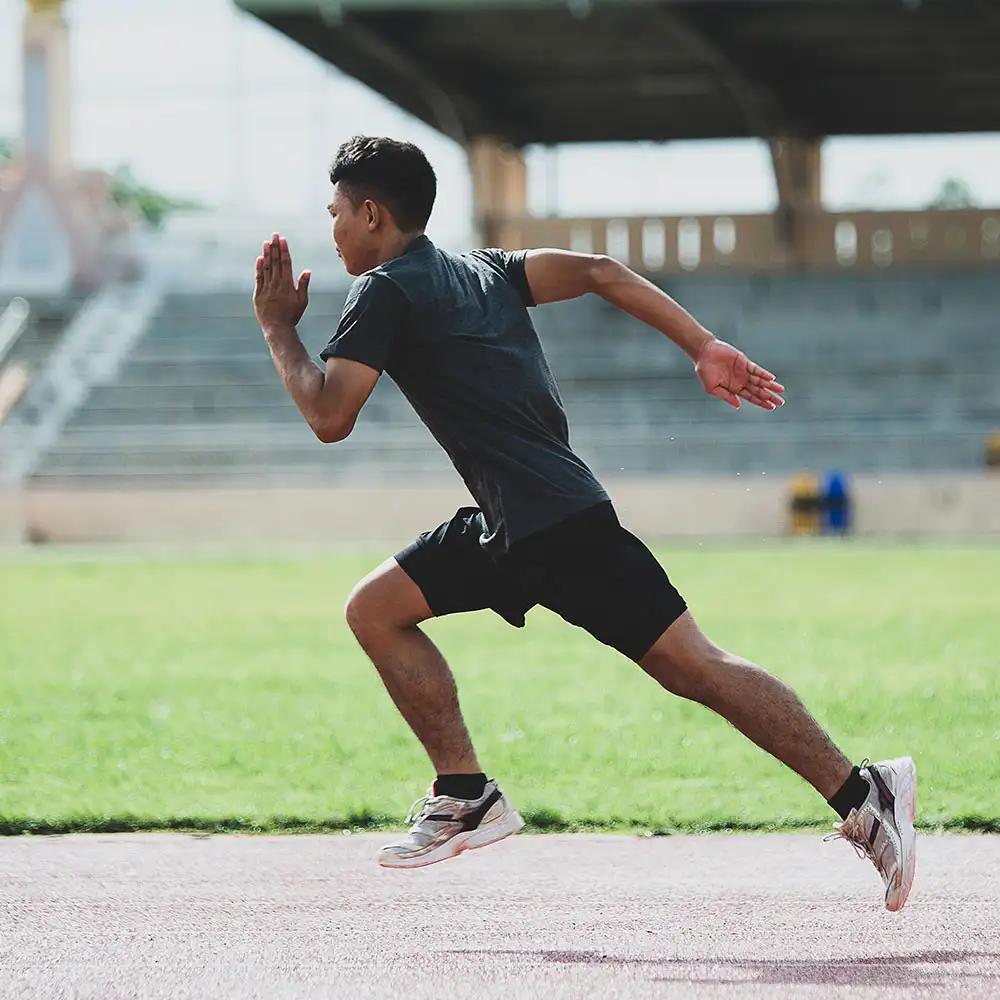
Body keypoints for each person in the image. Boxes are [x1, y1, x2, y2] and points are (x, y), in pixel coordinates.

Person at [253, 135, 917, 912]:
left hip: (555, 526)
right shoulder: (486, 270)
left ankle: (862, 791)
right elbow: (601, 272)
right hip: (516, 522)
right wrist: (700, 344)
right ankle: (464, 792)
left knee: (693, 667)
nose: (331, 230)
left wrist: (278, 327)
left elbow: (331, 415)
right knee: (375, 609)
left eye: (335, 213)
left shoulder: (387, 290)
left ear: (371, 213)